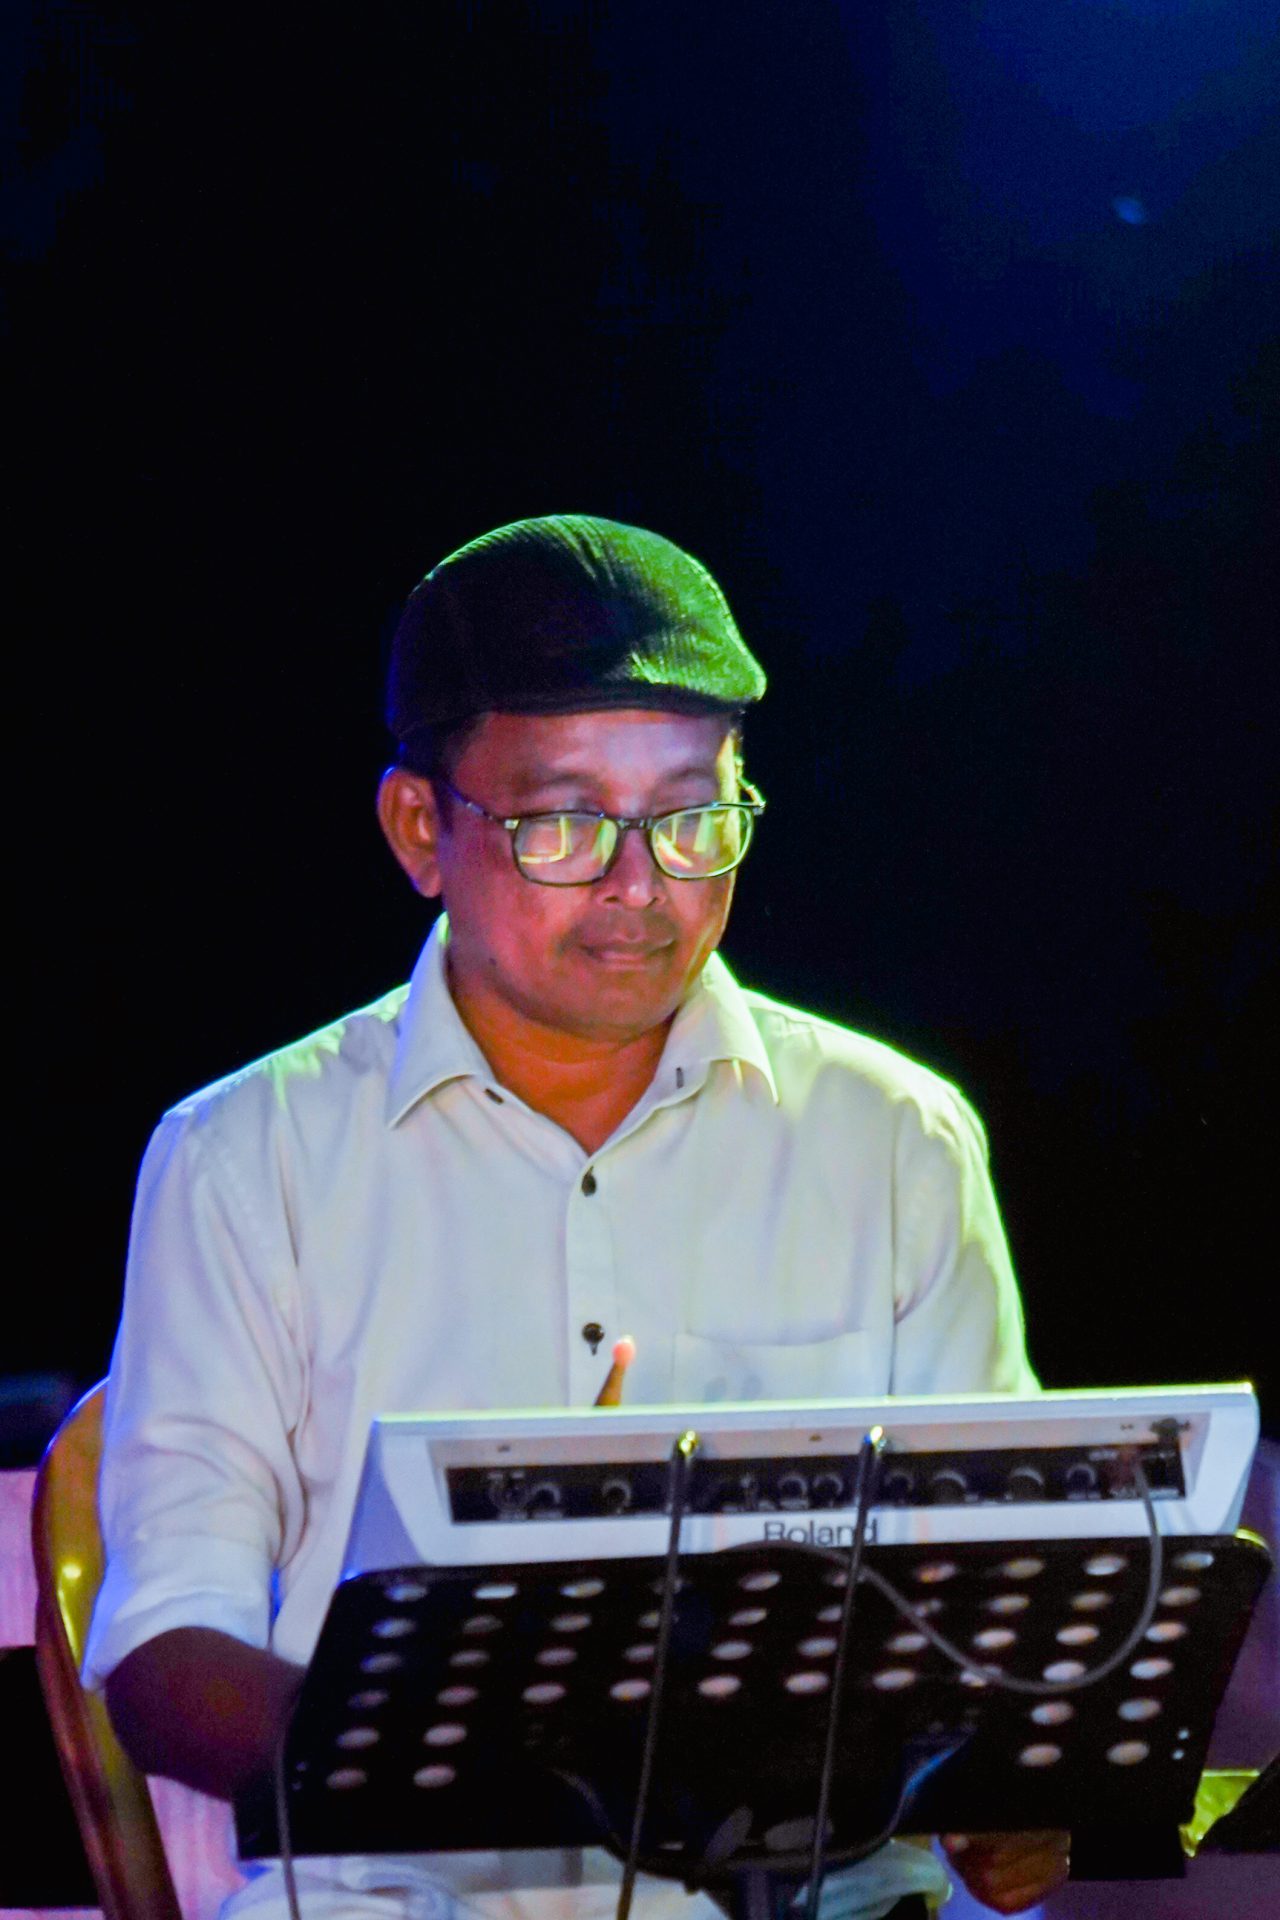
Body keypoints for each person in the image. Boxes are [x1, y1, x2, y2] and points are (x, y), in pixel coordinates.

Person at [85, 516, 1068, 1920]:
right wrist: (479, 1757)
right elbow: (167, 1653)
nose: (639, 882)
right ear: (421, 829)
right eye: (562, 822)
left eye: (692, 815)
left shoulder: (894, 1137)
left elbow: (995, 1583)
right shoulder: (247, 1158)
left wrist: (1010, 1781)